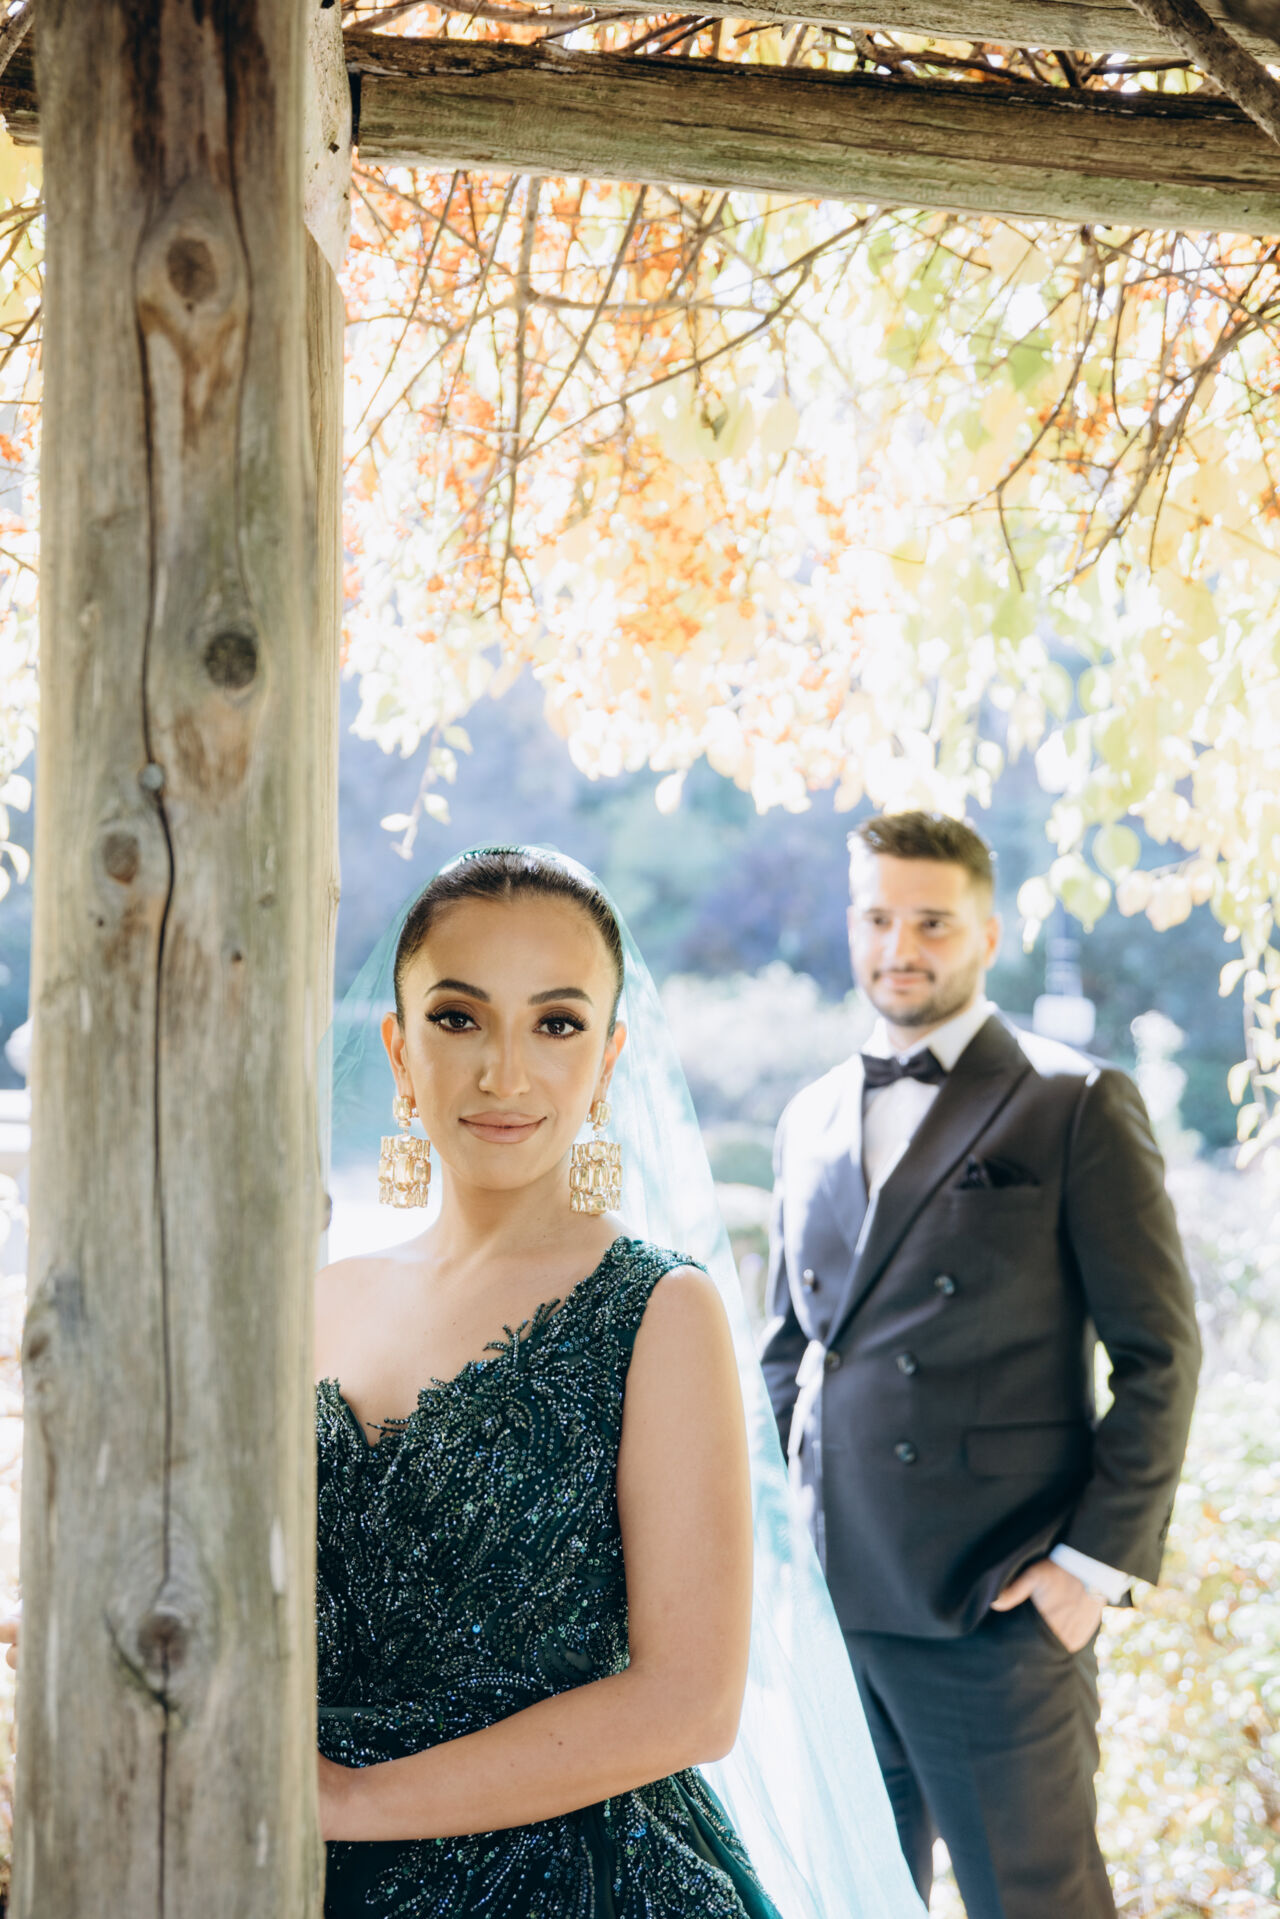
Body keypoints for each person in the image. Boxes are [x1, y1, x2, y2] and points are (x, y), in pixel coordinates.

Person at [314, 846, 925, 1919]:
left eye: (556, 1023)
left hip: (568, 1880)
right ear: (400, 1048)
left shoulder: (657, 1306)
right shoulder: (321, 1298)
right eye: (458, 1017)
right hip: (287, 1867)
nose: (505, 1071)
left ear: (608, 1059)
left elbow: (690, 1704)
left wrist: (352, 1799)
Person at [761, 811, 1201, 1919]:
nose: (898, 946)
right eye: (876, 918)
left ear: (988, 933)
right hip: (830, 1600)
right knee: (850, 1902)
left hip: (992, 1605)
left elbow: (1159, 1352)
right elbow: (785, 1353)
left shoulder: (1072, 1101)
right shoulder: (808, 1115)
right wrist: (766, 1553)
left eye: (931, 922)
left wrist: (1087, 1568)